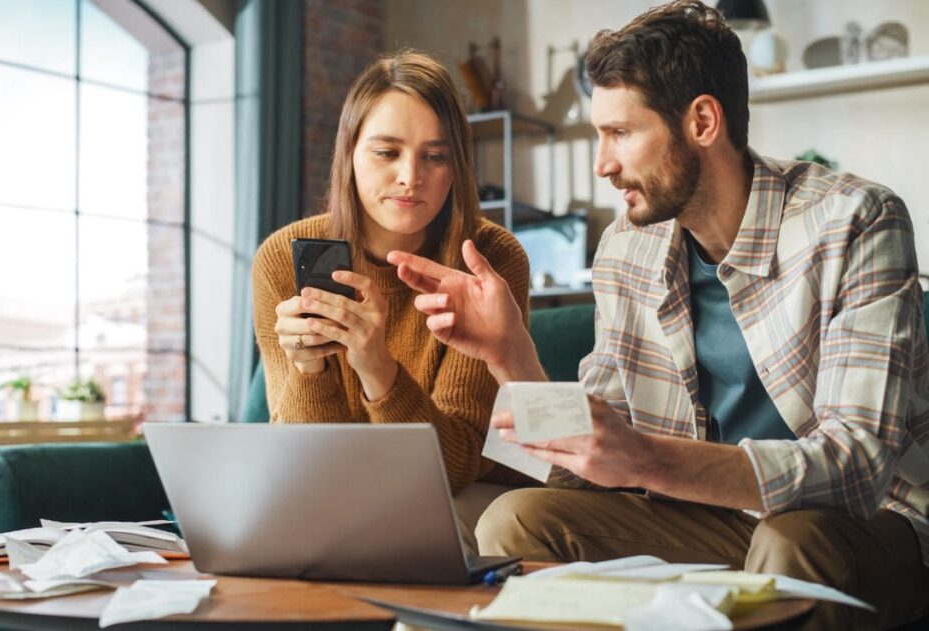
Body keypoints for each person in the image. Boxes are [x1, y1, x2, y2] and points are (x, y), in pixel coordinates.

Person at [387, 2, 929, 628]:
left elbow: (857, 464)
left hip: (868, 526)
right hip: (709, 521)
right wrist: (512, 355)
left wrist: (647, 459)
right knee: (516, 518)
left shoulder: (855, 220)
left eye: (620, 133)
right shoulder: (628, 247)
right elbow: (583, 471)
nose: (602, 164)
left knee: (789, 543)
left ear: (701, 120)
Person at [252, 50, 530, 496]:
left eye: (435, 157)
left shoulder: (492, 256)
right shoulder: (280, 259)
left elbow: (456, 465)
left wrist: (378, 368)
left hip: (458, 497)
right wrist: (310, 370)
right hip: (332, 495)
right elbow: (307, 469)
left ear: (456, 167)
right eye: (386, 152)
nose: (410, 176)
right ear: (350, 154)